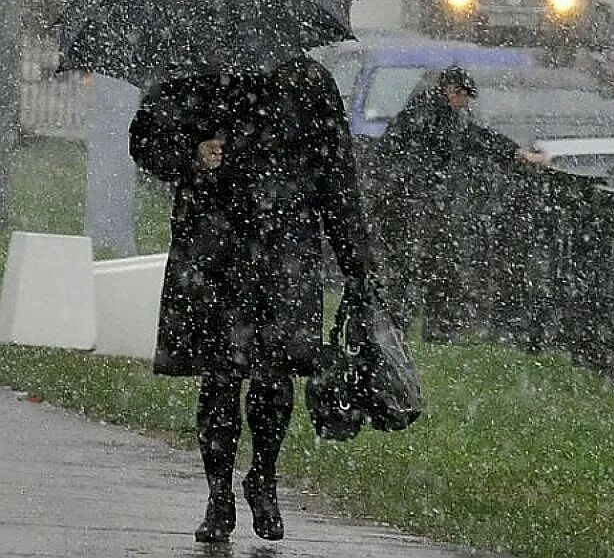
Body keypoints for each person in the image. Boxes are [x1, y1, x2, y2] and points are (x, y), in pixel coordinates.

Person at [128, 55, 368, 544]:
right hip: (214, 249)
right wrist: (192, 155)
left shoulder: (307, 82)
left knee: (274, 376)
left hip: (284, 253)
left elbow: (335, 175)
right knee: (220, 376)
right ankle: (219, 494)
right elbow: (146, 144)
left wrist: (355, 263)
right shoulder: (188, 76)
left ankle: (263, 475)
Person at [370, 65, 542, 343]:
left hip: (407, 203)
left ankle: (406, 326)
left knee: (419, 267)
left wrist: (512, 151)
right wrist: (512, 152)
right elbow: (469, 139)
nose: (464, 103)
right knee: (426, 266)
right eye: (462, 96)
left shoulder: (429, 112)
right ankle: (421, 327)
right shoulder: (431, 116)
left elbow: (470, 138)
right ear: (451, 91)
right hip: (410, 204)